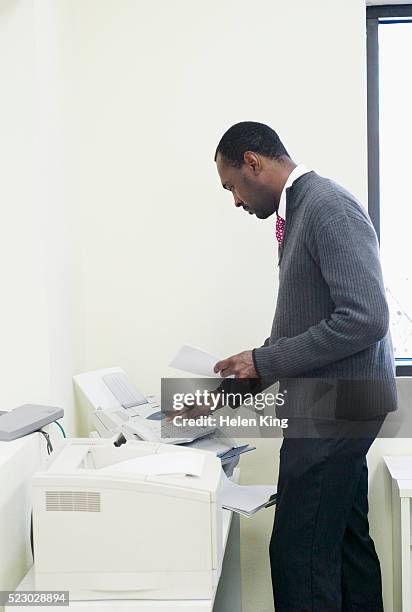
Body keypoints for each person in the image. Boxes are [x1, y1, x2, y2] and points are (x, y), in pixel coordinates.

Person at [211, 122, 397, 612]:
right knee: (342, 540)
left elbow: (366, 317)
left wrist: (265, 360)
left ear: (253, 162)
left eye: (232, 185)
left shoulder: (326, 207)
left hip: (339, 406)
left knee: (299, 551)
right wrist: (256, 367)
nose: (235, 200)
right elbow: (307, 314)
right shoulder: (300, 212)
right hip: (336, 402)